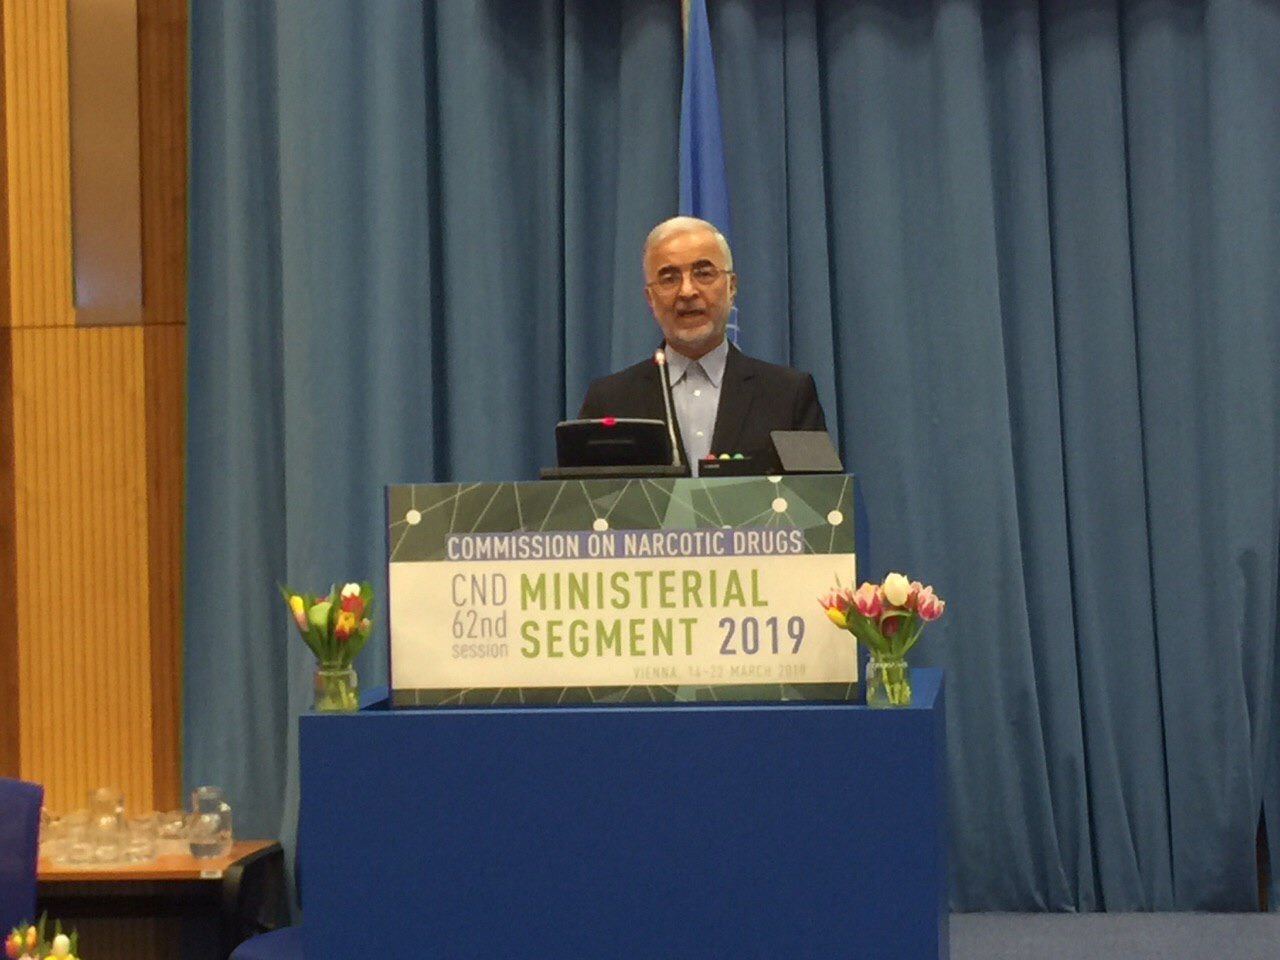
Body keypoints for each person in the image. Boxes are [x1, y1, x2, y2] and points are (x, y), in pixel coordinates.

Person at [578, 216, 828, 472]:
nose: (687, 291)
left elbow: (816, 493)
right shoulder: (610, 401)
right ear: (650, 298)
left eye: (704, 274)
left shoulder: (788, 395)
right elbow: (586, 495)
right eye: (669, 278)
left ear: (731, 287)